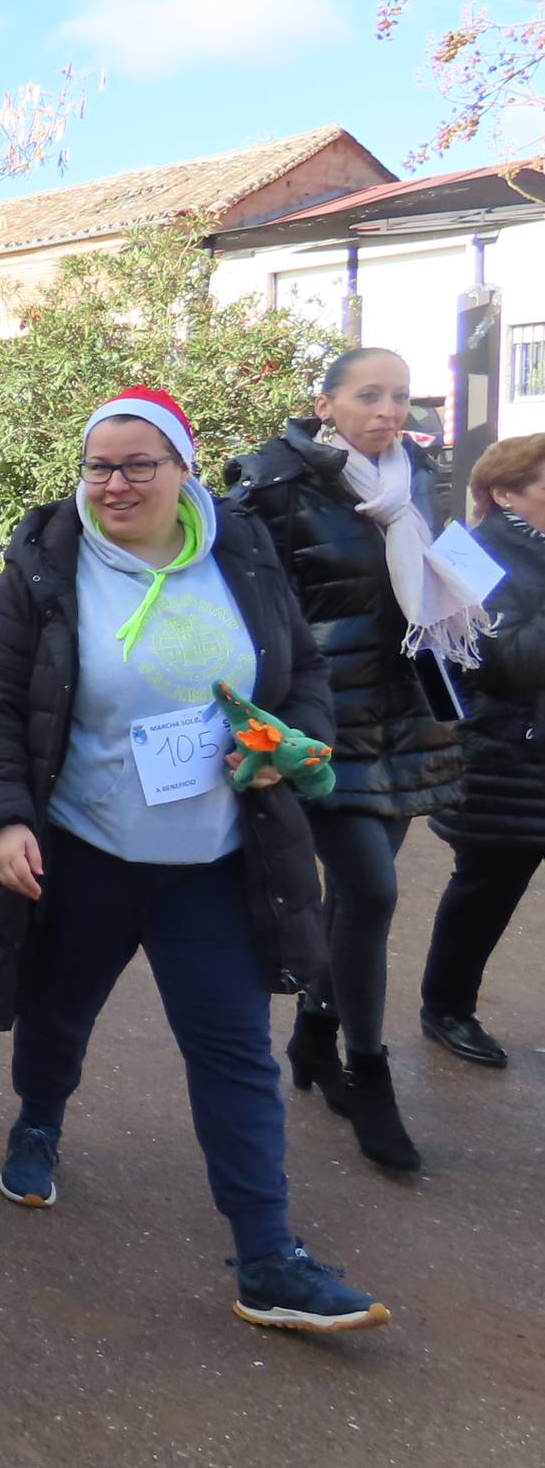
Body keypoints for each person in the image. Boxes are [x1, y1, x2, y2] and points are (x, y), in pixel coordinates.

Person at [0, 387, 389, 1331]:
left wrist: (288, 741)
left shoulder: (240, 548)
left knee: (234, 1052)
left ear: (183, 468)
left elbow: (300, 673)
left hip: (218, 859)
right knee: (60, 1010)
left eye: (139, 463)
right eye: (99, 465)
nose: (115, 483)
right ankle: (39, 1119)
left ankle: (268, 1256)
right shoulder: (44, 561)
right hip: (86, 848)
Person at [227, 347, 476, 1171]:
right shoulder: (273, 484)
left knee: (356, 904)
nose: (389, 411)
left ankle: (314, 1036)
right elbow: (248, 610)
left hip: (409, 717)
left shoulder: (422, 478)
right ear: (326, 403)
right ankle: (369, 1073)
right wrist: (267, 727)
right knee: (371, 890)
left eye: (400, 396)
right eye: (370, 395)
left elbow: (443, 574)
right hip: (325, 725)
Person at [418, 434, 545, 1066]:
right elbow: (506, 662)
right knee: (486, 891)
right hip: (506, 758)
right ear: (504, 493)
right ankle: (447, 1008)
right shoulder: (471, 556)